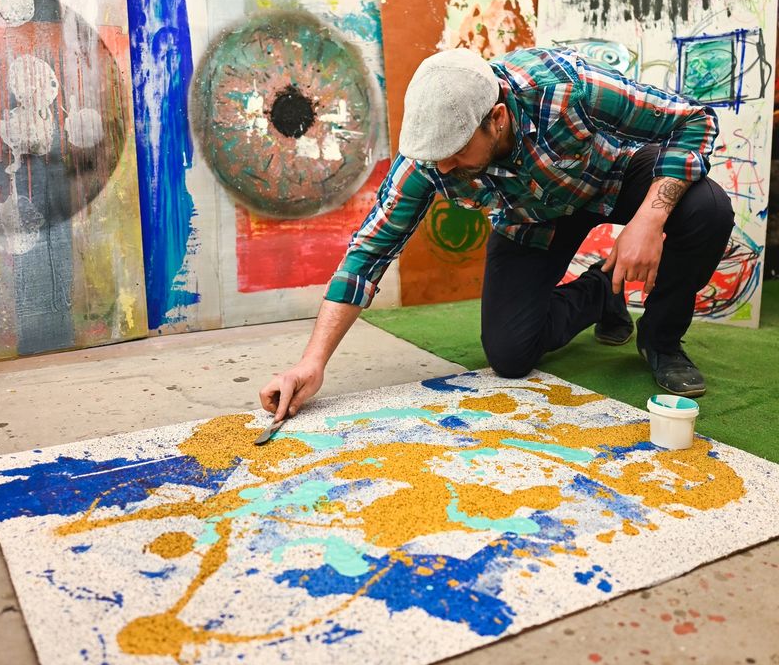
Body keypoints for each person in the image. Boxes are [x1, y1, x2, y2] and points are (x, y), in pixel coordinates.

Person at [260, 46, 734, 423]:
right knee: (509, 355)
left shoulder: (568, 86)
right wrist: (312, 362)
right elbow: (368, 253)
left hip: (613, 175)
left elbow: (694, 120)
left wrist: (649, 219)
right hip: (533, 218)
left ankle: (661, 340)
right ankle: (602, 293)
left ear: (498, 118)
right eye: (436, 156)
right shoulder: (430, 161)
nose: (445, 167)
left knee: (706, 208)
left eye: (456, 151)